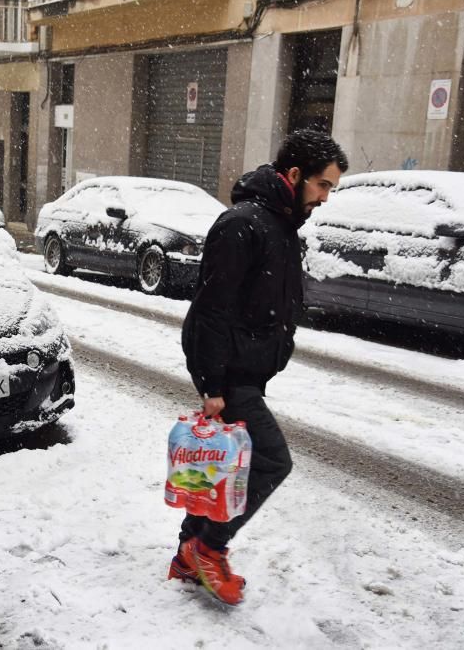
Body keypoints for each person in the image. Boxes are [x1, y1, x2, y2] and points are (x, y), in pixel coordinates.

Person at [173, 129, 349, 605]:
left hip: (248, 369)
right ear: (294, 175)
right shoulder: (243, 224)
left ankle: (187, 552)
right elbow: (210, 311)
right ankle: (208, 548)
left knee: (234, 465)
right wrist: (212, 385)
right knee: (272, 460)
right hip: (231, 375)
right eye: (323, 185)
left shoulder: (282, 225)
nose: (325, 197)